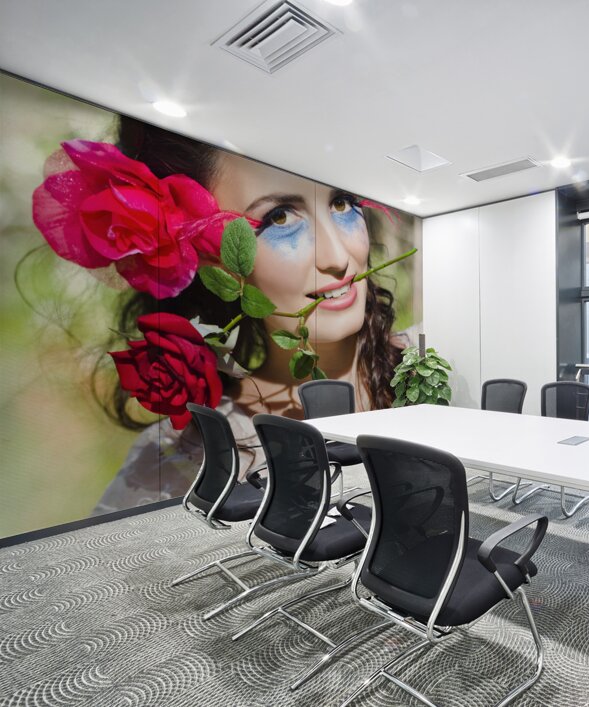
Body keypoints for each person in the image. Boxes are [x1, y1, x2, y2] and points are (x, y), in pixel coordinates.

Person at [32, 116, 414, 513]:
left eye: (342, 202)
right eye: (279, 217)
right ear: (208, 258)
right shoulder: (185, 460)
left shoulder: (442, 363)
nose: (338, 257)